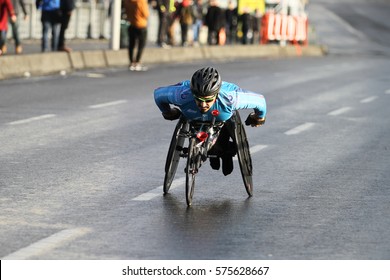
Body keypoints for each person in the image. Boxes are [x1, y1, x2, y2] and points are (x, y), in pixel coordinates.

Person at [154, 66, 267, 175]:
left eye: (207, 100)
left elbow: (260, 102)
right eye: (199, 100)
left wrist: (258, 118)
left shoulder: (231, 98)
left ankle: (226, 149)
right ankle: (203, 147)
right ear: (192, 94)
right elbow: (158, 95)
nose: (203, 104)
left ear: (216, 95)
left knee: (228, 124)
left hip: (222, 114)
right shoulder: (181, 94)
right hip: (193, 115)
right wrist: (168, 112)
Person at [123, 0, 149, 71]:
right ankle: (137, 62)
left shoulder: (128, 1)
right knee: (141, 45)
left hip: (132, 24)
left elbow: (126, 11)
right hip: (141, 25)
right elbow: (146, 14)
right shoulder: (141, 1)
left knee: (131, 44)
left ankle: (131, 62)